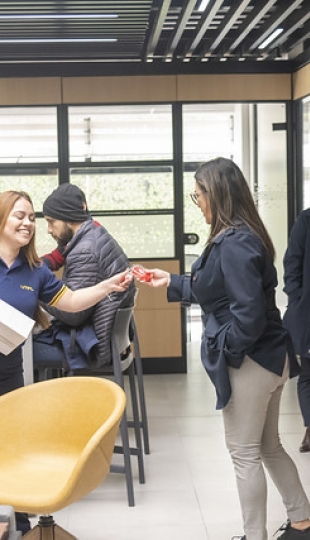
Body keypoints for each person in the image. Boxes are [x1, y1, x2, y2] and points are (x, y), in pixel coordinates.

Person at [132, 157, 310, 540]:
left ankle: (254, 535)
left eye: (198, 196)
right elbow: (220, 288)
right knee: (268, 446)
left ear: (217, 195)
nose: (198, 204)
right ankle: (301, 520)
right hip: (270, 358)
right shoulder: (243, 234)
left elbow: (246, 313)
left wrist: (226, 348)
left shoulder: (234, 241)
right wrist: (172, 282)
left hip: (252, 361)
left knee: (244, 452)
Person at [0, 189, 132, 535]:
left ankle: (23, 523)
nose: (28, 223)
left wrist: (107, 286)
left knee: (13, 450)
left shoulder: (34, 271)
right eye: (20, 216)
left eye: (31, 217)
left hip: (10, 374)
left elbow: (71, 301)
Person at [33, 182, 136, 372]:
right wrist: (31, 267)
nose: (48, 229)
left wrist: (35, 291)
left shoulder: (85, 250)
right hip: (108, 336)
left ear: (67, 217)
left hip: (91, 345)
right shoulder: (93, 234)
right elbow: (57, 257)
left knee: (24, 348)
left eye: (51, 221)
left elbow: (73, 315)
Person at [283, 208, 310, 453]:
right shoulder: (307, 220)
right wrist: (297, 298)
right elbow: (292, 261)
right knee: (308, 373)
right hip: (308, 310)